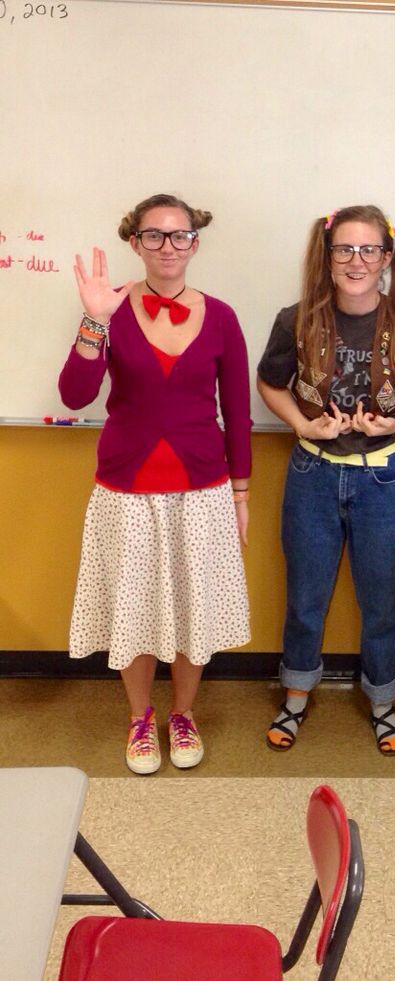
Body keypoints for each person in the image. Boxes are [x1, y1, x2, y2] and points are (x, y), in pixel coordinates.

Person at [59, 193, 252, 775]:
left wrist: (241, 494)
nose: (168, 246)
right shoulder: (109, 308)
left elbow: (237, 414)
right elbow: (74, 395)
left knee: (194, 607)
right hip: (126, 488)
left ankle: (183, 713)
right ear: (134, 241)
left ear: (196, 241)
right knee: (135, 606)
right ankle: (140, 717)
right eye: (154, 235)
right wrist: (94, 319)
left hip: (202, 486)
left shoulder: (221, 316)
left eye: (180, 235)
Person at [257, 205, 395, 755]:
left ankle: (383, 702)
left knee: (381, 599)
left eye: (368, 250)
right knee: (305, 597)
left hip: (383, 479)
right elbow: (270, 382)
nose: (356, 260)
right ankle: (294, 699)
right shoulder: (297, 319)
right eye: (344, 249)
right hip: (313, 474)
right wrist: (300, 423)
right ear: (328, 256)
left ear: (386, 258)